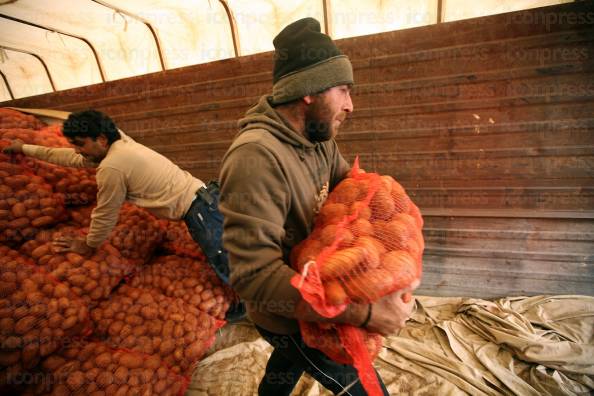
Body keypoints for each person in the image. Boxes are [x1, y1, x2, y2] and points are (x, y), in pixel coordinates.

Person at [219, 17, 417, 396]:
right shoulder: (255, 158)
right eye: (343, 90)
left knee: (287, 366)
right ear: (309, 91)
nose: (351, 105)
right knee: (364, 387)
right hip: (288, 314)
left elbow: (347, 186)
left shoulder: (317, 135)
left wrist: (391, 232)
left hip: (315, 291)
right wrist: (367, 313)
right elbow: (253, 278)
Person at [2, 110, 244, 319]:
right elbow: (71, 158)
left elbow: (105, 212)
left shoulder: (112, 167)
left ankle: (256, 310)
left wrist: (88, 244)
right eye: (74, 143)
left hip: (200, 211)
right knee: (233, 256)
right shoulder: (120, 142)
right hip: (205, 199)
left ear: (101, 139)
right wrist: (25, 148)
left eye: (80, 143)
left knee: (227, 262)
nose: (77, 150)